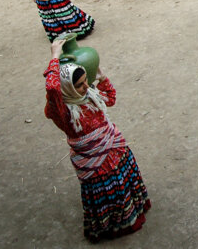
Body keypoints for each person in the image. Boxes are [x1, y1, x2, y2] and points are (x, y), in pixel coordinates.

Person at [45, 39, 150, 242]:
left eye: (86, 81)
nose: (85, 86)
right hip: (96, 166)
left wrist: (101, 76)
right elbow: (52, 88)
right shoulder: (63, 112)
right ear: (67, 89)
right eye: (79, 85)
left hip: (116, 151)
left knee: (124, 186)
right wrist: (55, 57)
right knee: (111, 194)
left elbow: (110, 98)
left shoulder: (90, 94)